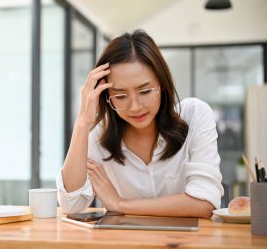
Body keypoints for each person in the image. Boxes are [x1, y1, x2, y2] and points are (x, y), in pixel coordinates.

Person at [56, 30, 223, 218]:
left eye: (144, 91)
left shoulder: (194, 115)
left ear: (162, 84)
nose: (135, 107)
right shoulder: (98, 134)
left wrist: (120, 203)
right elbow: (71, 204)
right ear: (107, 96)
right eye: (120, 96)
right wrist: (82, 124)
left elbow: (205, 204)